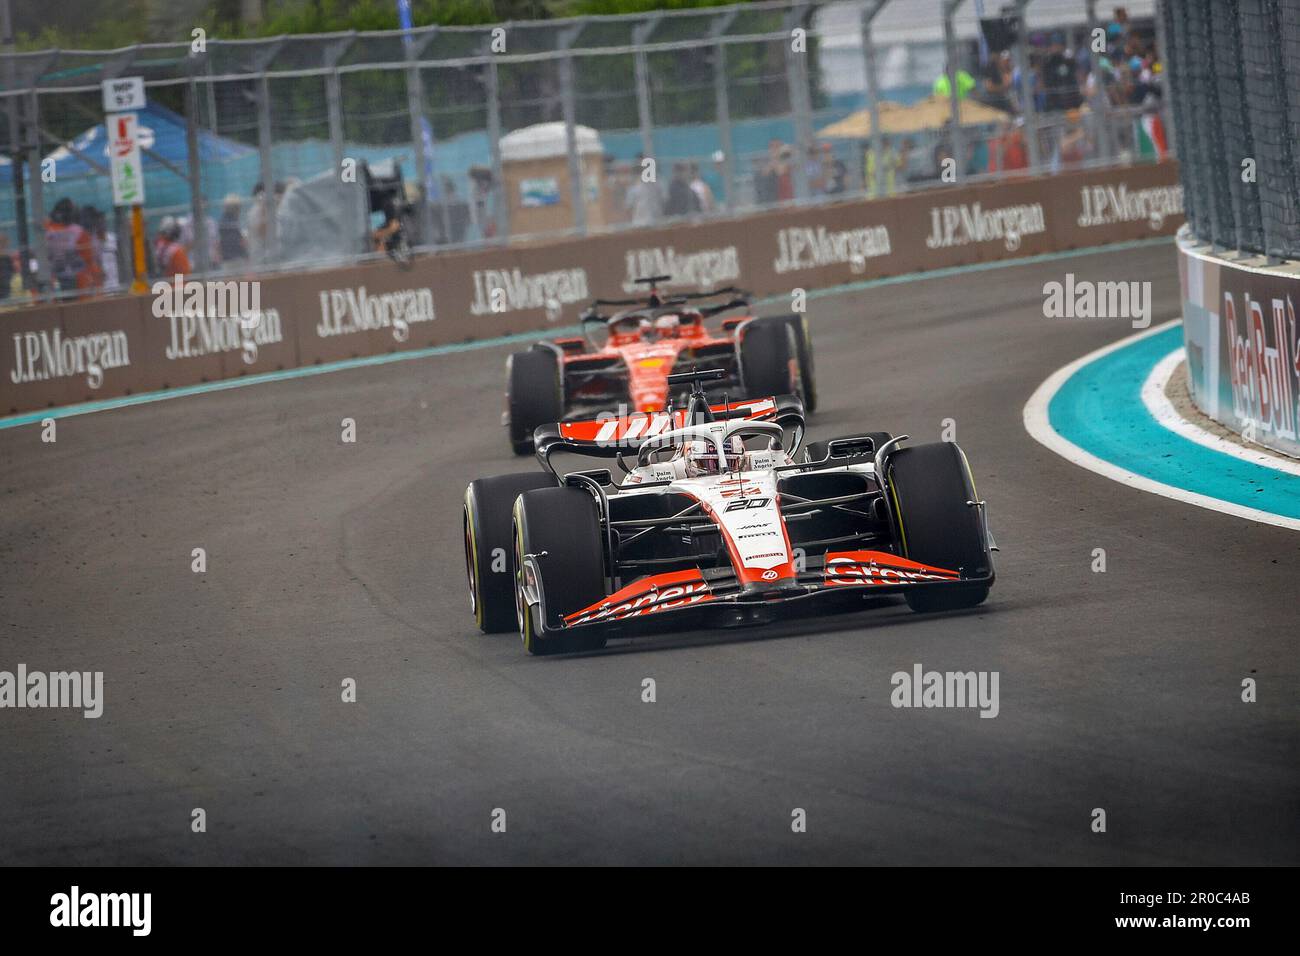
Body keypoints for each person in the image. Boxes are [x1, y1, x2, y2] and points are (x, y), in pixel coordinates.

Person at [45, 198, 97, 295]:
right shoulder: (79, 232)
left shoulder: (47, 231)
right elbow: (89, 260)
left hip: (55, 280)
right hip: (77, 281)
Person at [623, 153, 663, 225]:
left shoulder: (657, 184)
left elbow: (662, 200)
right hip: (639, 223)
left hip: (655, 222)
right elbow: (628, 207)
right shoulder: (633, 187)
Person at [219, 194, 248, 266]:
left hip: (227, 257)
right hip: (234, 258)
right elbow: (238, 241)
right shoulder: (230, 223)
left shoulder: (224, 221)